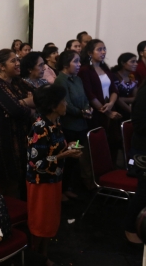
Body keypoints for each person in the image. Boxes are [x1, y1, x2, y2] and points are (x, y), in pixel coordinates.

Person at [27, 85, 82, 264]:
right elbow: (37, 164)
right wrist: (64, 155)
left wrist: (69, 147)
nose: (66, 104)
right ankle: (37, 259)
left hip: (54, 179)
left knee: (49, 221)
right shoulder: (40, 127)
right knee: (41, 222)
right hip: (41, 182)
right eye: (63, 101)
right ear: (53, 106)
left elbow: (54, 150)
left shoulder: (55, 123)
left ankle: (44, 256)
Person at [0, 49, 35, 198]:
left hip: (19, 134)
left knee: (21, 173)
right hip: (2, 136)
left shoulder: (17, 80)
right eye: (13, 61)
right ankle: (9, 212)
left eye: (18, 60)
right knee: (8, 177)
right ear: (2, 66)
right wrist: (28, 104)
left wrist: (20, 103)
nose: (18, 63)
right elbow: (17, 111)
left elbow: (40, 96)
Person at [53, 50, 95, 195]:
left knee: (76, 157)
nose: (79, 65)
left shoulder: (77, 79)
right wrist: (81, 112)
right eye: (75, 62)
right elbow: (66, 104)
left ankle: (69, 187)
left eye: (79, 61)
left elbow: (84, 98)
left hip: (80, 125)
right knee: (68, 159)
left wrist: (87, 108)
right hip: (68, 125)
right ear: (65, 64)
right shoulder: (61, 80)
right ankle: (62, 190)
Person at [78, 39, 121, 128]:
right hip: (97, 111)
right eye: (99, 49)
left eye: (104, 49)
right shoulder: (85, 70)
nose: (103, 52)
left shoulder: (105, 68)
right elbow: (89, 94)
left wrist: (111, 103)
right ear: (90, 53)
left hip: (109, 106)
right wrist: (107, 112)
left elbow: (114, 90)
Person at [124, 81, 146, 244]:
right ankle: (130, 227)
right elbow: (139, 124)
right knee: (144, 190)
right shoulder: (144, 93)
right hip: (143, 149)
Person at [111, 53, 138, 120]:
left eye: (136, 61)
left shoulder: (131, 77)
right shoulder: (114, 76)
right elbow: (117, 99)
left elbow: (137, 97)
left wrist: (122, 99)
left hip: (127, 110)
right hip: (115, 110)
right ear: (123, 63)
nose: (136, 64)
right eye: (132, 62)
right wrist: (131, 110)